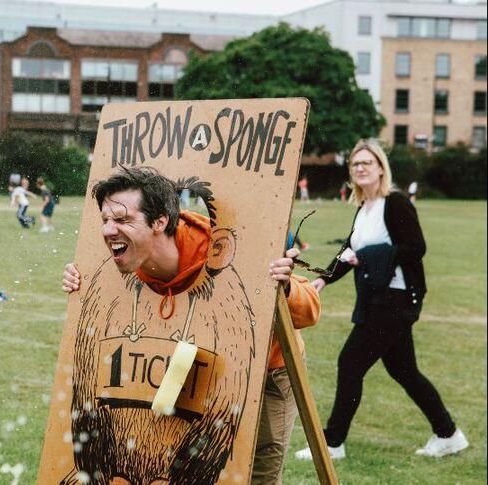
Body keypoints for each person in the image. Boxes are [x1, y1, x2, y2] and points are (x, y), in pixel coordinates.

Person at [61, 166, 320, 484]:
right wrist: (81, 282)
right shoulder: (127, 261)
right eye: (105, 220)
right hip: (187, 362)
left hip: (264, 369)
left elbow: (310, 310)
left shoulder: (223, 250)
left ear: (159, 222)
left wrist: (285, 286)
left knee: (257, 474)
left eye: (123, 220)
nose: (108, 231)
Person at [295, 139, 468, 461]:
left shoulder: (396, 203)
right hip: (377, 300)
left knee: (349, 363)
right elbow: (348, 252)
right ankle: (449, 434)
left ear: (380, 169)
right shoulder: (364, 209)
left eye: (367, 163)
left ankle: (332, 443)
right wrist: (323, 278)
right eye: (356, 164)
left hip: (395, 301)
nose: (360, 167)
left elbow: (416, 248)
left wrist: (369, 256)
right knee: (404, 371)